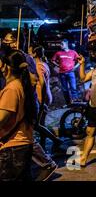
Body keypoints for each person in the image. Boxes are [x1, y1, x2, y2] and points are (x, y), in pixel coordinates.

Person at [1, 33, 58, 181]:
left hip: (26, 104)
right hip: (17, 113)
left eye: (11, 40)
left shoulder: (24, 62)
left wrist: (40, 100)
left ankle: (47, 160)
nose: (8, 43)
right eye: (6, 40)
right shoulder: (11, 66)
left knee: (30, 131)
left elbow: (36, 81)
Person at [0, 50, 37, 181]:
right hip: (22, 144)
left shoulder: (11, 89)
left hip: (12, 148)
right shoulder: (22, 85)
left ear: (6, 67)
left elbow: (1, 120)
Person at [30, 45, 63, 150]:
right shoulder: (43, 64)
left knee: (36, 125)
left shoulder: (39, 66)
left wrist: (43, 101)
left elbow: (43, 84)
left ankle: (56, 140)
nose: (28, 54)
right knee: (41, 124)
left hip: (41, 96)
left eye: (30, 52)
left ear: (34, 54)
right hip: (44, 95)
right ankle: (43, 146)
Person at [51, 39, 80, 105]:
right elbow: (52, 60)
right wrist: (58, 65)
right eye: (60, 44)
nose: (60, 46)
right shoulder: (58, 53)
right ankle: (68, 103)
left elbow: (80, 61)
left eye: (62, 44)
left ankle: (75, 102)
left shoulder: (73, 52)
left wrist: (75, 67)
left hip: (71, 72)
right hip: (62, 73)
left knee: (73, 88)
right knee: (65, 89)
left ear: (66, 44)